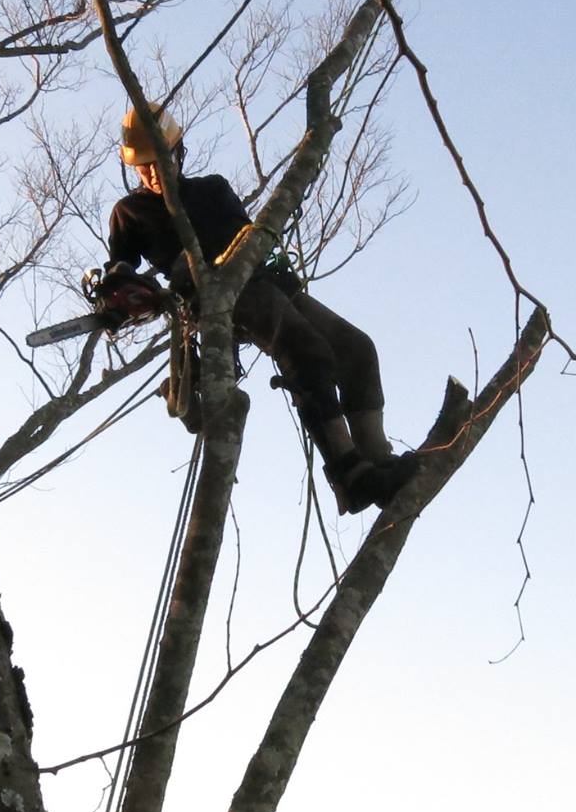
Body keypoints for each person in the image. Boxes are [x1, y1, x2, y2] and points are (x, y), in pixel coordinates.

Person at [98, 106, 414, 513]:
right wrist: (121, 288)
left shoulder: (212, 189)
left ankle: (378, 459)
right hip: (215, 297)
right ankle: (349, 473)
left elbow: (250, 236)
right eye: (143, 168)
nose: (153, 174)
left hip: (264, 280)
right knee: (307, 350)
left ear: (177, 152)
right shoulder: (130, 212)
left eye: (158, 161)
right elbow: (120, 264)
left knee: (356, 349)